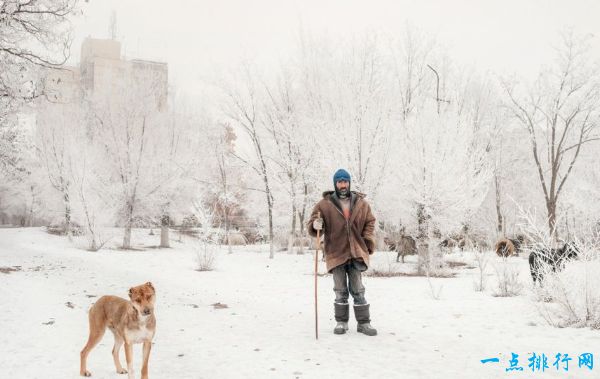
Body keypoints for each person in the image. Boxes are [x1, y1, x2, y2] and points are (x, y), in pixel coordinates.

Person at [307, 169, 378, 336]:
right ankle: (341, 323)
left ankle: (363, 323)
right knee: (340, 289)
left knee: (358, 289)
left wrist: (368, 240)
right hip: (336, 252)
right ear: (335, 184)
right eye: (339, 182)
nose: (343, 184)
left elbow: (370, 222)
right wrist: (315, 225)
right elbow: (313, 225)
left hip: (356, 251)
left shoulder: (361, 203)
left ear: (349, 183)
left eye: (345, 181)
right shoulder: (324, 204)